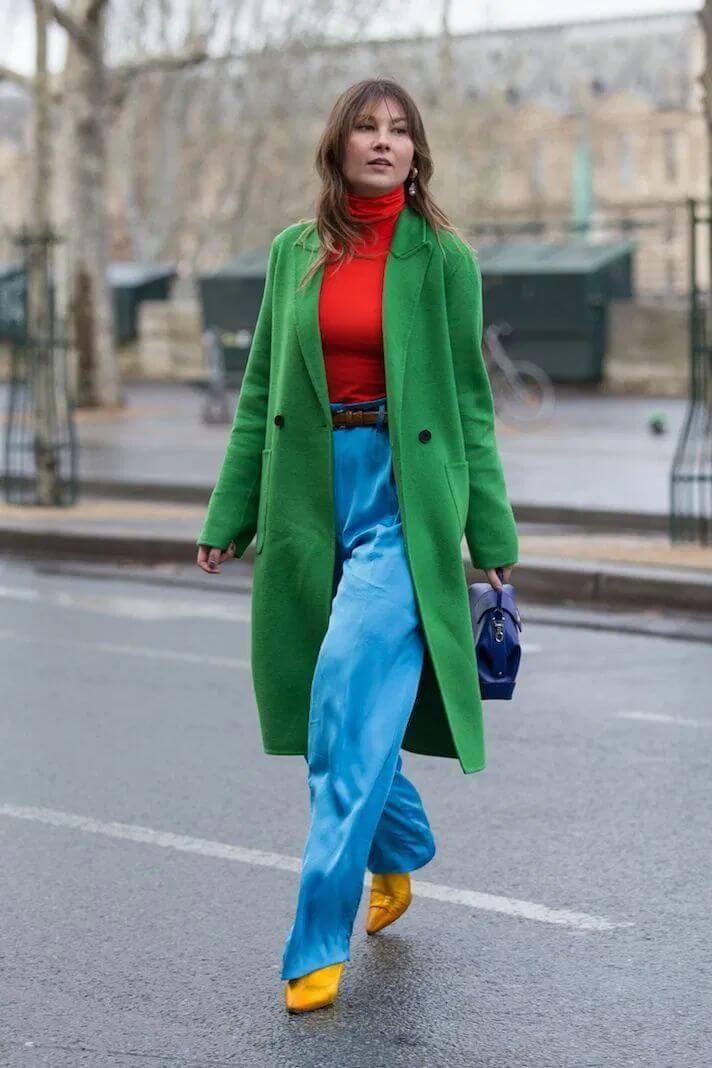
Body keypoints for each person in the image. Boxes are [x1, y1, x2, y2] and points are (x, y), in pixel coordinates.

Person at [195, 77, 518, 1014]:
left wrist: (489, 529)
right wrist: (230, 513)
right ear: (338, 147)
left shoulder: (442, 259)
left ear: (417, 153)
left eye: (400, 130)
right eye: (366, 129)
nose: (383, 142)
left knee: (341, 689)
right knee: (328, 713)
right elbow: (261, 389)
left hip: (402, 501)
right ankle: (402, 847)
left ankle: (313, 938)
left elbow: (468, 402)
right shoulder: (294, 252)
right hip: (305, 493)